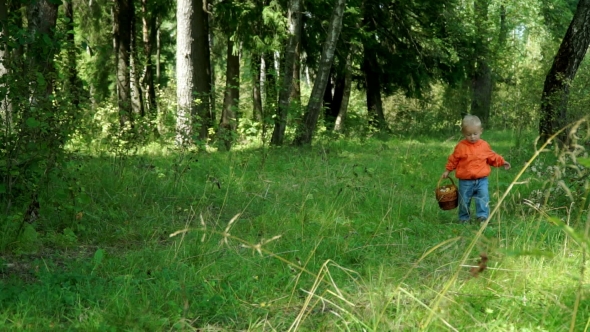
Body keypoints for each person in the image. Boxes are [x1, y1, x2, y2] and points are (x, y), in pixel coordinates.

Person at [441, 115, 511, 223]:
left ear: (481, 131)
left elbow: (492, 157)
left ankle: (482, 216)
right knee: (464, 199)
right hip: (465, 181)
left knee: (483, 198)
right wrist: (447, 170)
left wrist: (502, 162)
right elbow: (453, 159)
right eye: (469, 134)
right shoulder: (461, 147)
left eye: (475, 134)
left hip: (482, 180)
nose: (472, 137)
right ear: (463, 133)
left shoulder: (484, 145)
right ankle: (464, 218)